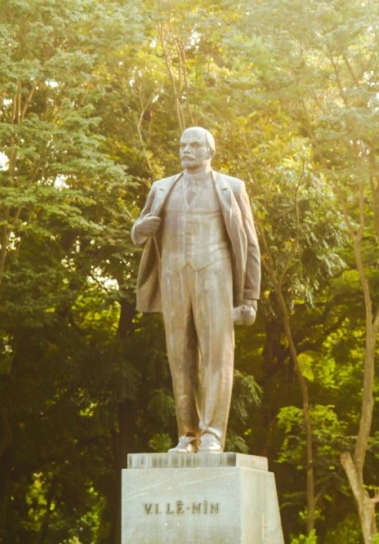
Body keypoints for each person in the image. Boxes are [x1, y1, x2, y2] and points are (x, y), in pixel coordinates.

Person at [131, 126, 261, 453]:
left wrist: (249, 298)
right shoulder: (162, 188)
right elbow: (139, 231)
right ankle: (188, 435)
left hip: (215, 275)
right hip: (174, 278)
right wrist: (139, 229)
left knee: (217, 357)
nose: (186, 149)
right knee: (180, 359)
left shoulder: (231, 188)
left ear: (209, 151)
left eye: (194, 145)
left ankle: (213, 434)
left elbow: (251, 246)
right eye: (182, 144)